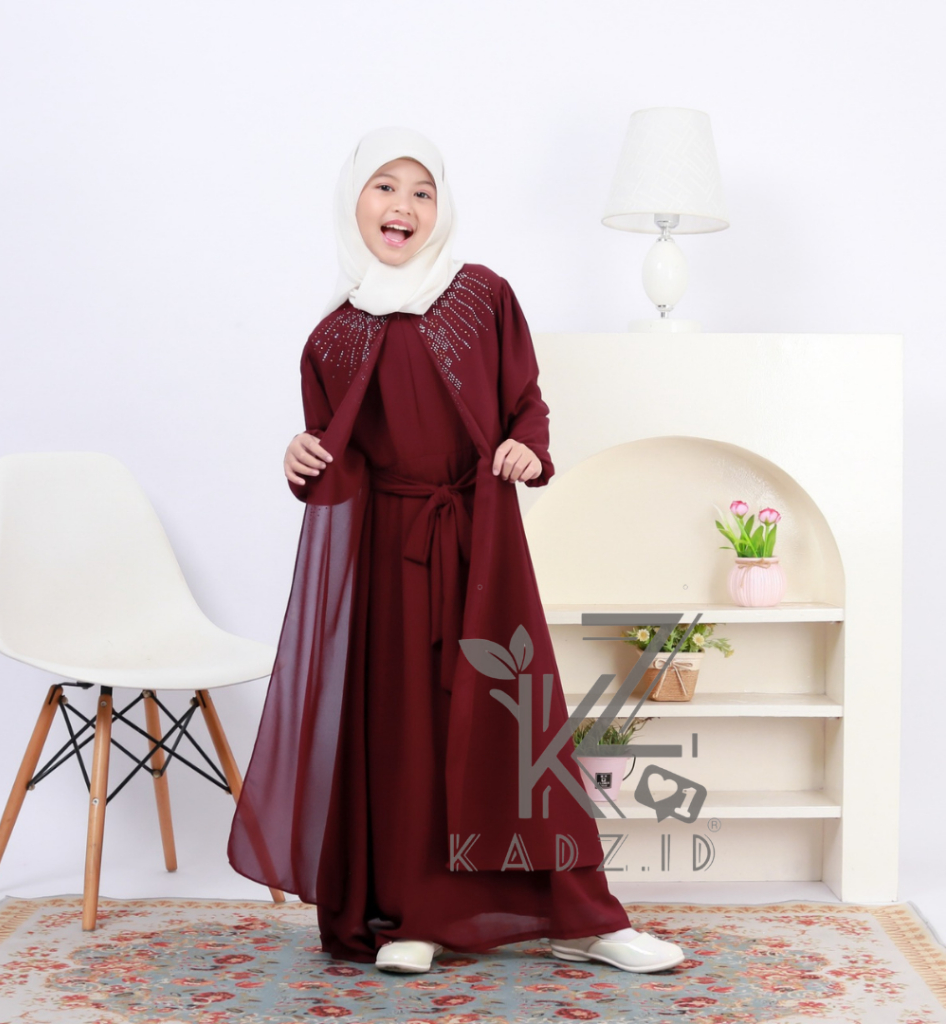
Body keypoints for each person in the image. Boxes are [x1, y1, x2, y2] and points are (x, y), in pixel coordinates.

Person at [228, 126, 685, 976]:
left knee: (517, 725)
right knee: (405, 734)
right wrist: (301, 457)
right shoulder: (333, 337)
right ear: (352, 200)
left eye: (422, 191)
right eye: (384, 186)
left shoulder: (481, 295)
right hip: (391, 557)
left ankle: (587, 917)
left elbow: (525, 401)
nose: (403, 205)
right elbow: (339, 465)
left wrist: (526, 450)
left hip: (481, 537)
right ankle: (416, 915)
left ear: (441, 208)